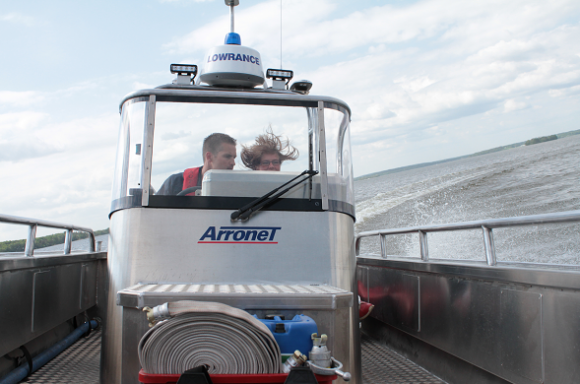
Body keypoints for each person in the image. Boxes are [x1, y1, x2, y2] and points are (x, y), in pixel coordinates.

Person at [157, 133, 237, 195]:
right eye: (227, 156)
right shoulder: (174, 183)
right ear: (209, 157)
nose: (233, 163)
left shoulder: (237, 187)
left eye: (234, 157)